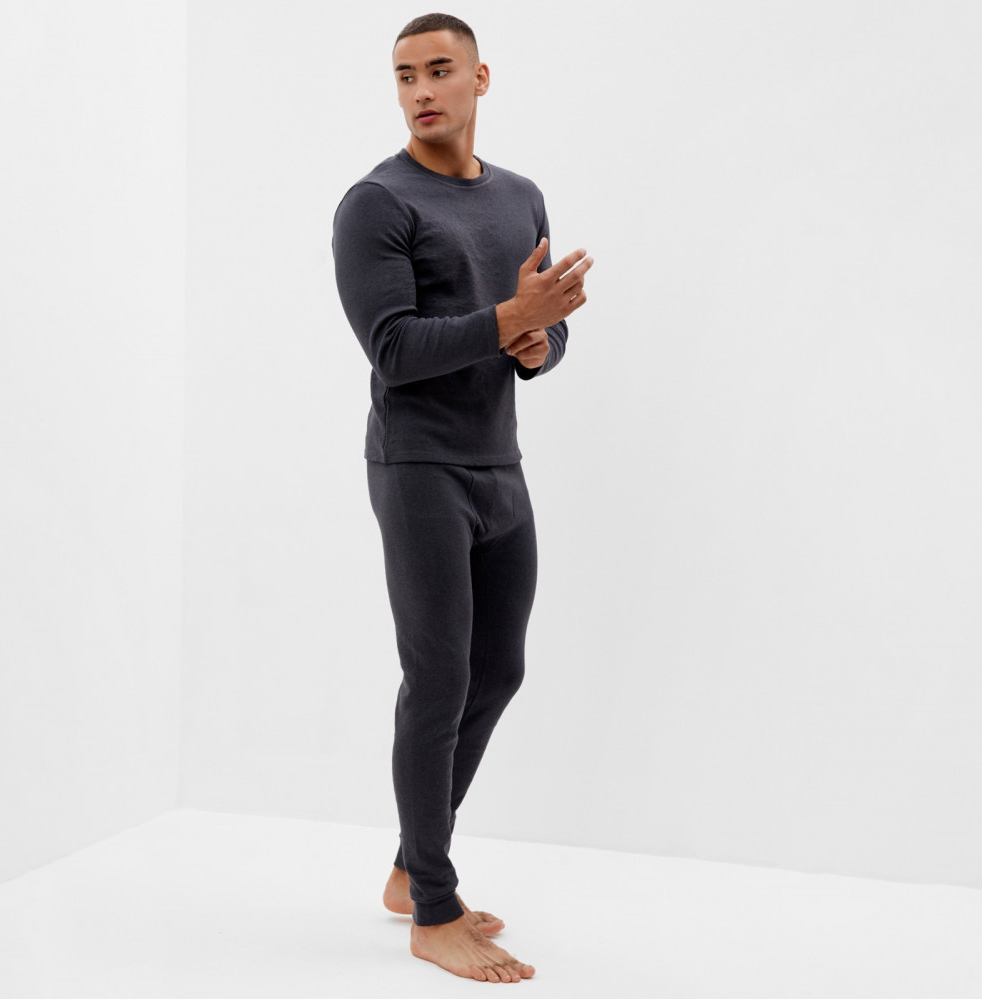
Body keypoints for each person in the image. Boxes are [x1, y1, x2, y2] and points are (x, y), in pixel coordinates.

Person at [331, 12, 593, 984]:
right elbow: (393, 348)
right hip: (418, 466)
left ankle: (412, 866)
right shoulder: (374, 204)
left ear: (481, 78)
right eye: (405, 76)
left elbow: (545, 334)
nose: (421, 91)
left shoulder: (520, 197)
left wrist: (535, 341)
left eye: (439, 71)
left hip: (498, 462)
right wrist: (510, 316)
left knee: (498, 670)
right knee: (437, 679)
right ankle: (432, 910)